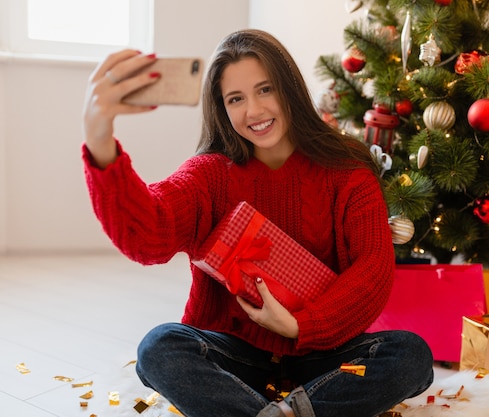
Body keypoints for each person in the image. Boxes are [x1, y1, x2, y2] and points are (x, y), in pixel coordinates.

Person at [82, 29, 433, 417]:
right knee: (158, 348)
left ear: (290, 89)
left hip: (326, 359)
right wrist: (100, 140)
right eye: (236, 99)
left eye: (265, 90)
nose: (254, 111)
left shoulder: (346, 167)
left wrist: (301, 325)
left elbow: (373, 270)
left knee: (410, 355)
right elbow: (146, 236)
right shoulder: (209, 174)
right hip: (237, 360)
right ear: (221, 107)